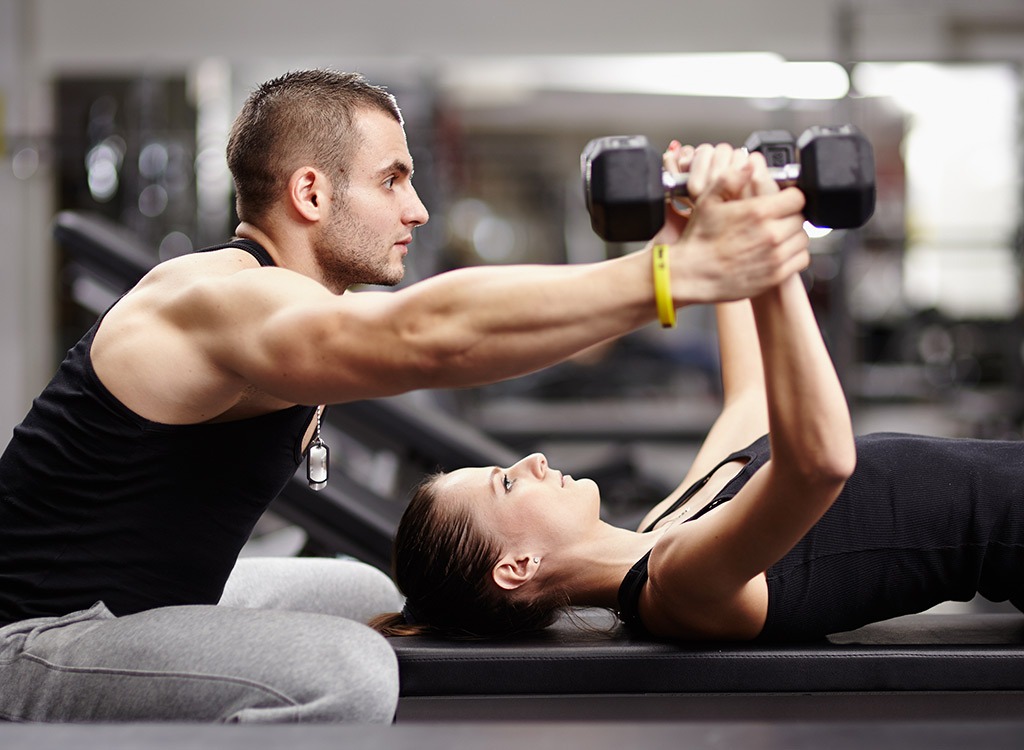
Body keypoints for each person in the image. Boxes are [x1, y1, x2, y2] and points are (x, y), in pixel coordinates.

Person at [0, 69, 810, 723]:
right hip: (35, 639)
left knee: (367, 592)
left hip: (137, 603)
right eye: (392, 180)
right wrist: (671, 273)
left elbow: (525, 332)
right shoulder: (218, 301)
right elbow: (432, 337)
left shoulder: (295, 302)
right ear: (311, 194)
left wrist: (676, 244)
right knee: (352, 673)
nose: (416, 209)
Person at [373, 144, 1024, 643]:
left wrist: (694, 238)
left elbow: (755, 399)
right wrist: (757, 244)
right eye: (506, 484)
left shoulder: (667, 526)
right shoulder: (676, 583)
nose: (531, 462)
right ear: (516, 566)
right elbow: (818, 462)